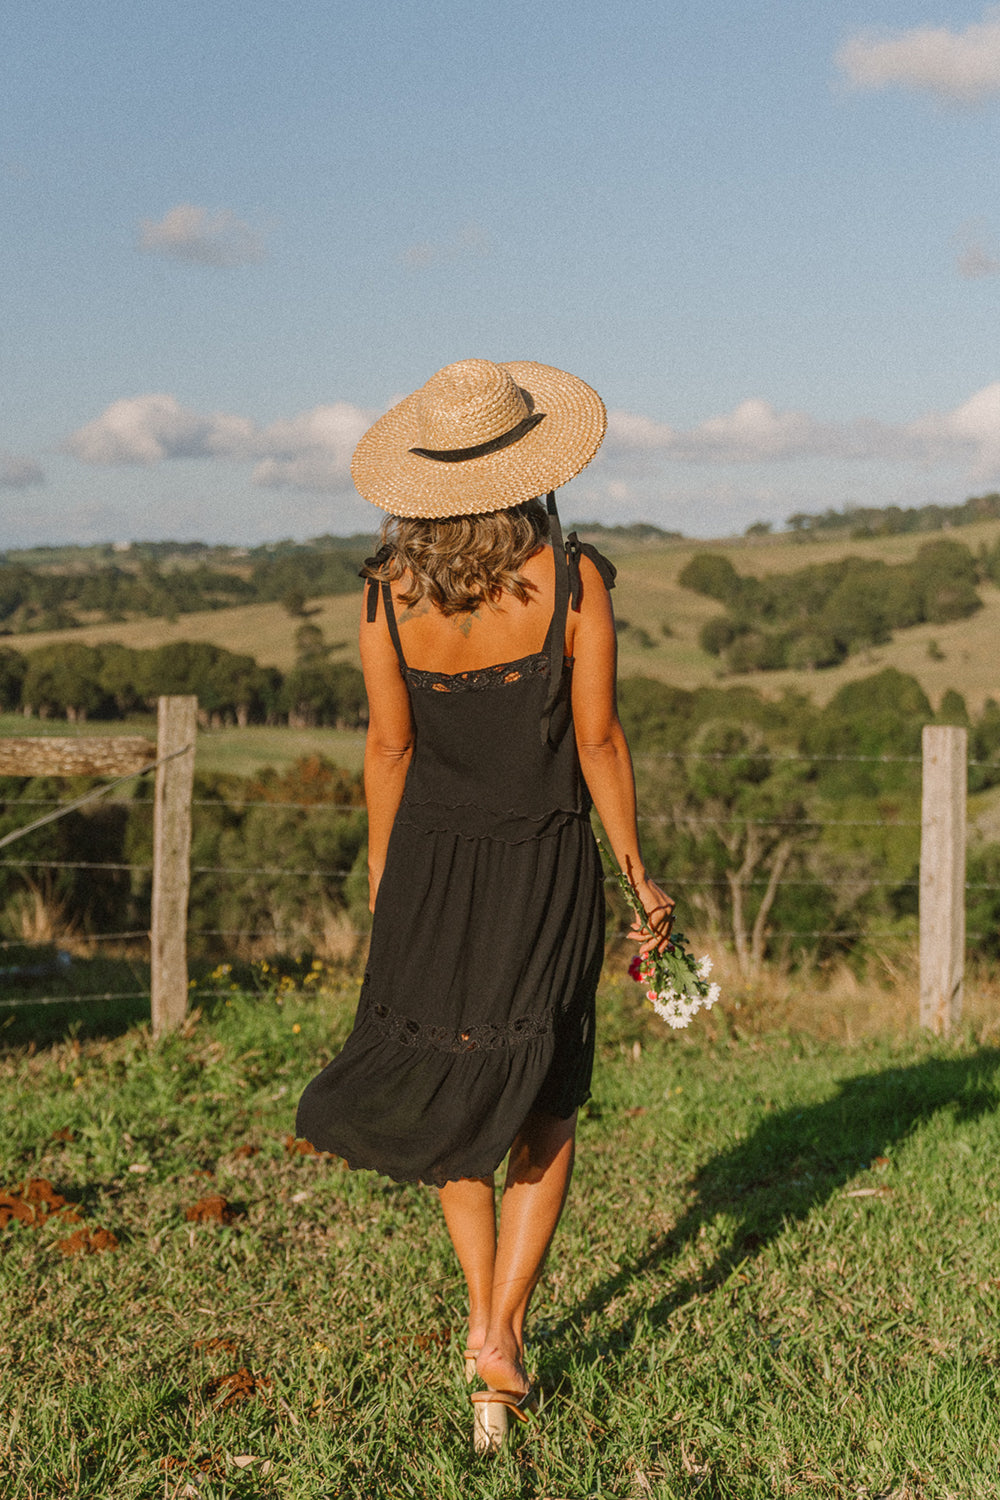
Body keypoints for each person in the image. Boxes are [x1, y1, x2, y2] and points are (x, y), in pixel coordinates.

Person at [295, 358, 674, 1453]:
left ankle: (478, 1321)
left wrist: (385, 887)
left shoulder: (385, 592)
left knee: (461, 1089)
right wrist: (638, 871)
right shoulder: (569, 578)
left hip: (428, 871)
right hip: (543, 867)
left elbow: (387, 749)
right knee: (543, 1105)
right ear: (527, 472)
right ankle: (503, 1335)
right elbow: (597, 739)